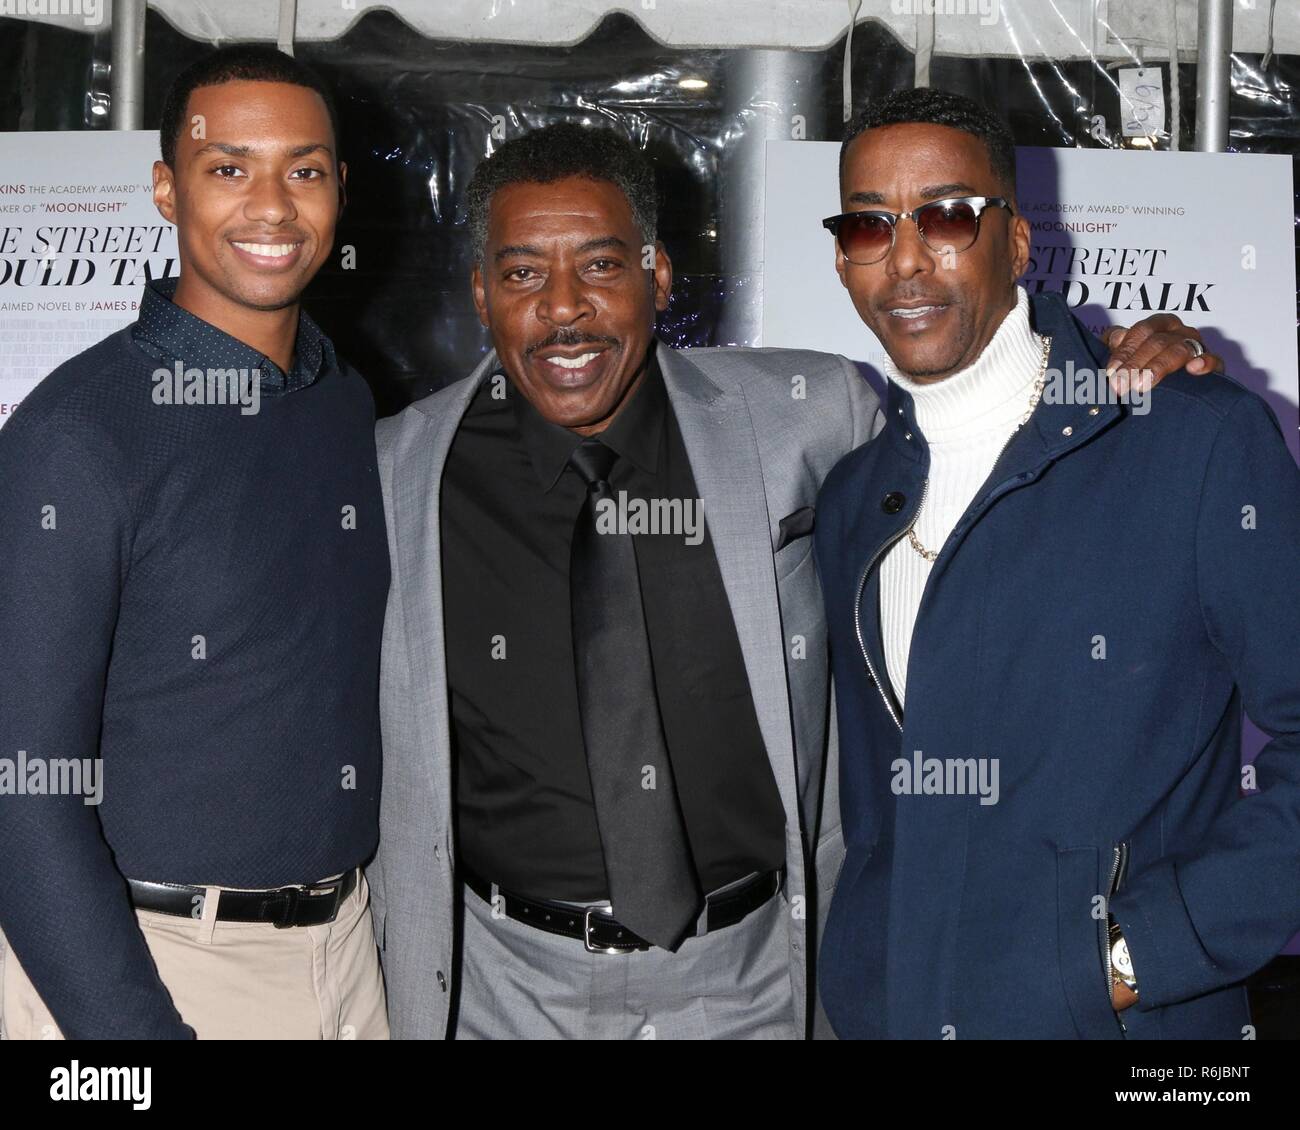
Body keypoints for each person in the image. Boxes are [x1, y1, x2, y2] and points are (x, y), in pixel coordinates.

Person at [367, 122, 1217, 1039]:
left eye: (602, 267)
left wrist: (1117, 364)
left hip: (760, 977)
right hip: (503, 986)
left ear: (657, 276)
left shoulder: (811, 416)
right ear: (482, 292)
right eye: (524, 272)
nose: (564, 309)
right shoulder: (395, 472)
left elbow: (995, 433)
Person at [813, 87, 1300, 1039]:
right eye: (870, 225)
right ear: (841, 257)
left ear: (1021, 243)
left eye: (947, 215)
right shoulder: (853, 497)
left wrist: (1133, 956)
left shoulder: (1194, 443)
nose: (907, 258)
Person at [0, 46, 389, 1040]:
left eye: (303, 170)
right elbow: (20, 783)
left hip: (350, 951)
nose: (271, 205)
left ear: (340, 190)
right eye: (229, 169)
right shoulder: (75, 435)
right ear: (168, 190)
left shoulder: (344, 398)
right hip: (149, 962)